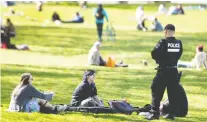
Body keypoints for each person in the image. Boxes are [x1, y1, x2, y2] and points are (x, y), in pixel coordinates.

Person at [146, 24, 183, 120]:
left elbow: (154, 54)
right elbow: (179, 55)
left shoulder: (162, 42)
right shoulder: (179, 43)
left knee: (156, 90)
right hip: (174, 70)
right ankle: (172, 114)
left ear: (166, 31)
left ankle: (155, 113)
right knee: (173, 92)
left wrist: (161, 60)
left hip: (163, 70)